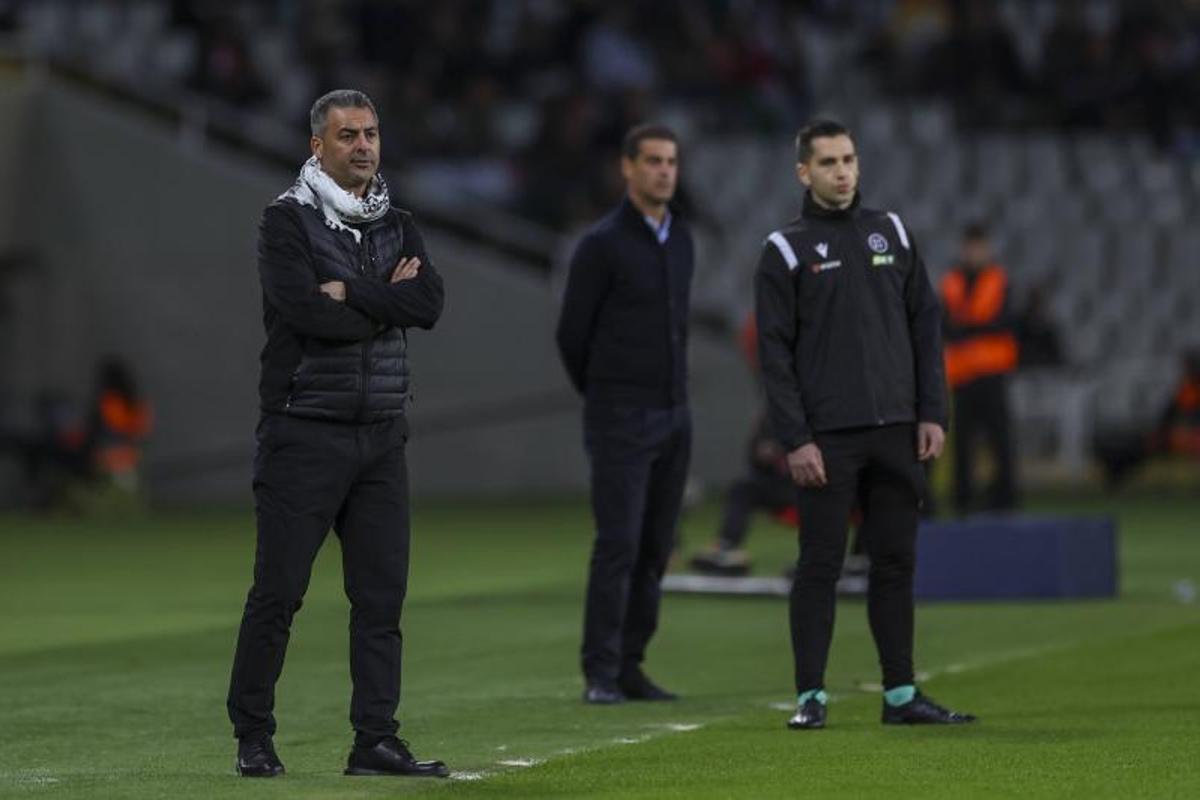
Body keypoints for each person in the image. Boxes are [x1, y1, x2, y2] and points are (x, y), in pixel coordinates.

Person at [226, 90, 448, 779]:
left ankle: (374, 740)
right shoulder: (285, 220)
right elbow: (307, 314)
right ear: (317, 146)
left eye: (371, 133)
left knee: (381, 600)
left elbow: (429, 303)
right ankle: (252, 735)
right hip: (304, 432)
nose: (363, 146)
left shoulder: (397, 222)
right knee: (279, 593)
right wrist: (388, 300)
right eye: (348, 135)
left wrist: (352, 291)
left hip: (381, 436)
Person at [755, 119, 975, 730]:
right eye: (828, 162)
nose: (842, 171)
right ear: (804, 172)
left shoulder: (893, 231)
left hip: (897, 431)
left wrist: (932, 412)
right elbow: (774, 355)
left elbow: (925, 327)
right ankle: (810, 697)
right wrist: (796, 437)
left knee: (896, 563)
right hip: (827, 439)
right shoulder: (785, 249)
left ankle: (901, 695)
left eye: (849, 159)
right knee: (820, 566)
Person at [556, 123, 693, 705]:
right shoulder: (602, 244)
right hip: (621, 415)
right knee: (618, 543)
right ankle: (601, 671)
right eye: (653, 161)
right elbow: (572, 334)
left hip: (674, 414)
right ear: (628, 168)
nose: (664, 171)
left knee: (656, 546)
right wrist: (607, 394)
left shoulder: (681, 239)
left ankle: (631, 664)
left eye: (671, 162)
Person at [940, 223, 1020, 514]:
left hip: (992, 372)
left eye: (979, 247)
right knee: (963, 440)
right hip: (962, 375)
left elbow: (1002, 322)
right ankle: (963, 499)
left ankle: (1006, 496)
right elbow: (945, 324)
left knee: (999, 437)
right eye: (971, 247)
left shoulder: (998, 279)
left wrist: (966, 327)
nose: (974, 253)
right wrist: (974, 326)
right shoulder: (951, 281)